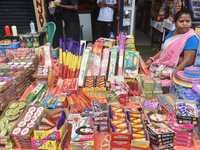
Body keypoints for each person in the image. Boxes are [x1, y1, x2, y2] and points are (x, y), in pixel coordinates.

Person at [145, 9, 200, 86]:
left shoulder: (191, 37)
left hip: (176, 71)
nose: (184, 24)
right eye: (181, 21)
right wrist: (152, 59)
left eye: (188, 21)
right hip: (164, 66)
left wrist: (171, 75)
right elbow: (165, 51)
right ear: (175, 22)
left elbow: (188, 61)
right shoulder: (171, 33)